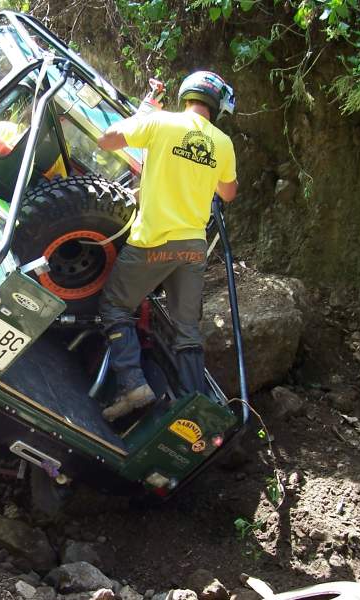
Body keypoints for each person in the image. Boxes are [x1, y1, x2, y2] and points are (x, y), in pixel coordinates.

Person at [96, 71, 238, 421]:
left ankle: (133, 385)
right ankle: (194, 405)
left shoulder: (159, 122)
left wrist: (144, 115)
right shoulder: (222, 143)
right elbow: (229, 193)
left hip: (154, 241)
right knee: (186, 329)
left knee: (115, 306)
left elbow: (106, 141)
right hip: (192, 247)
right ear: (216, 106)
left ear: (185, 94)